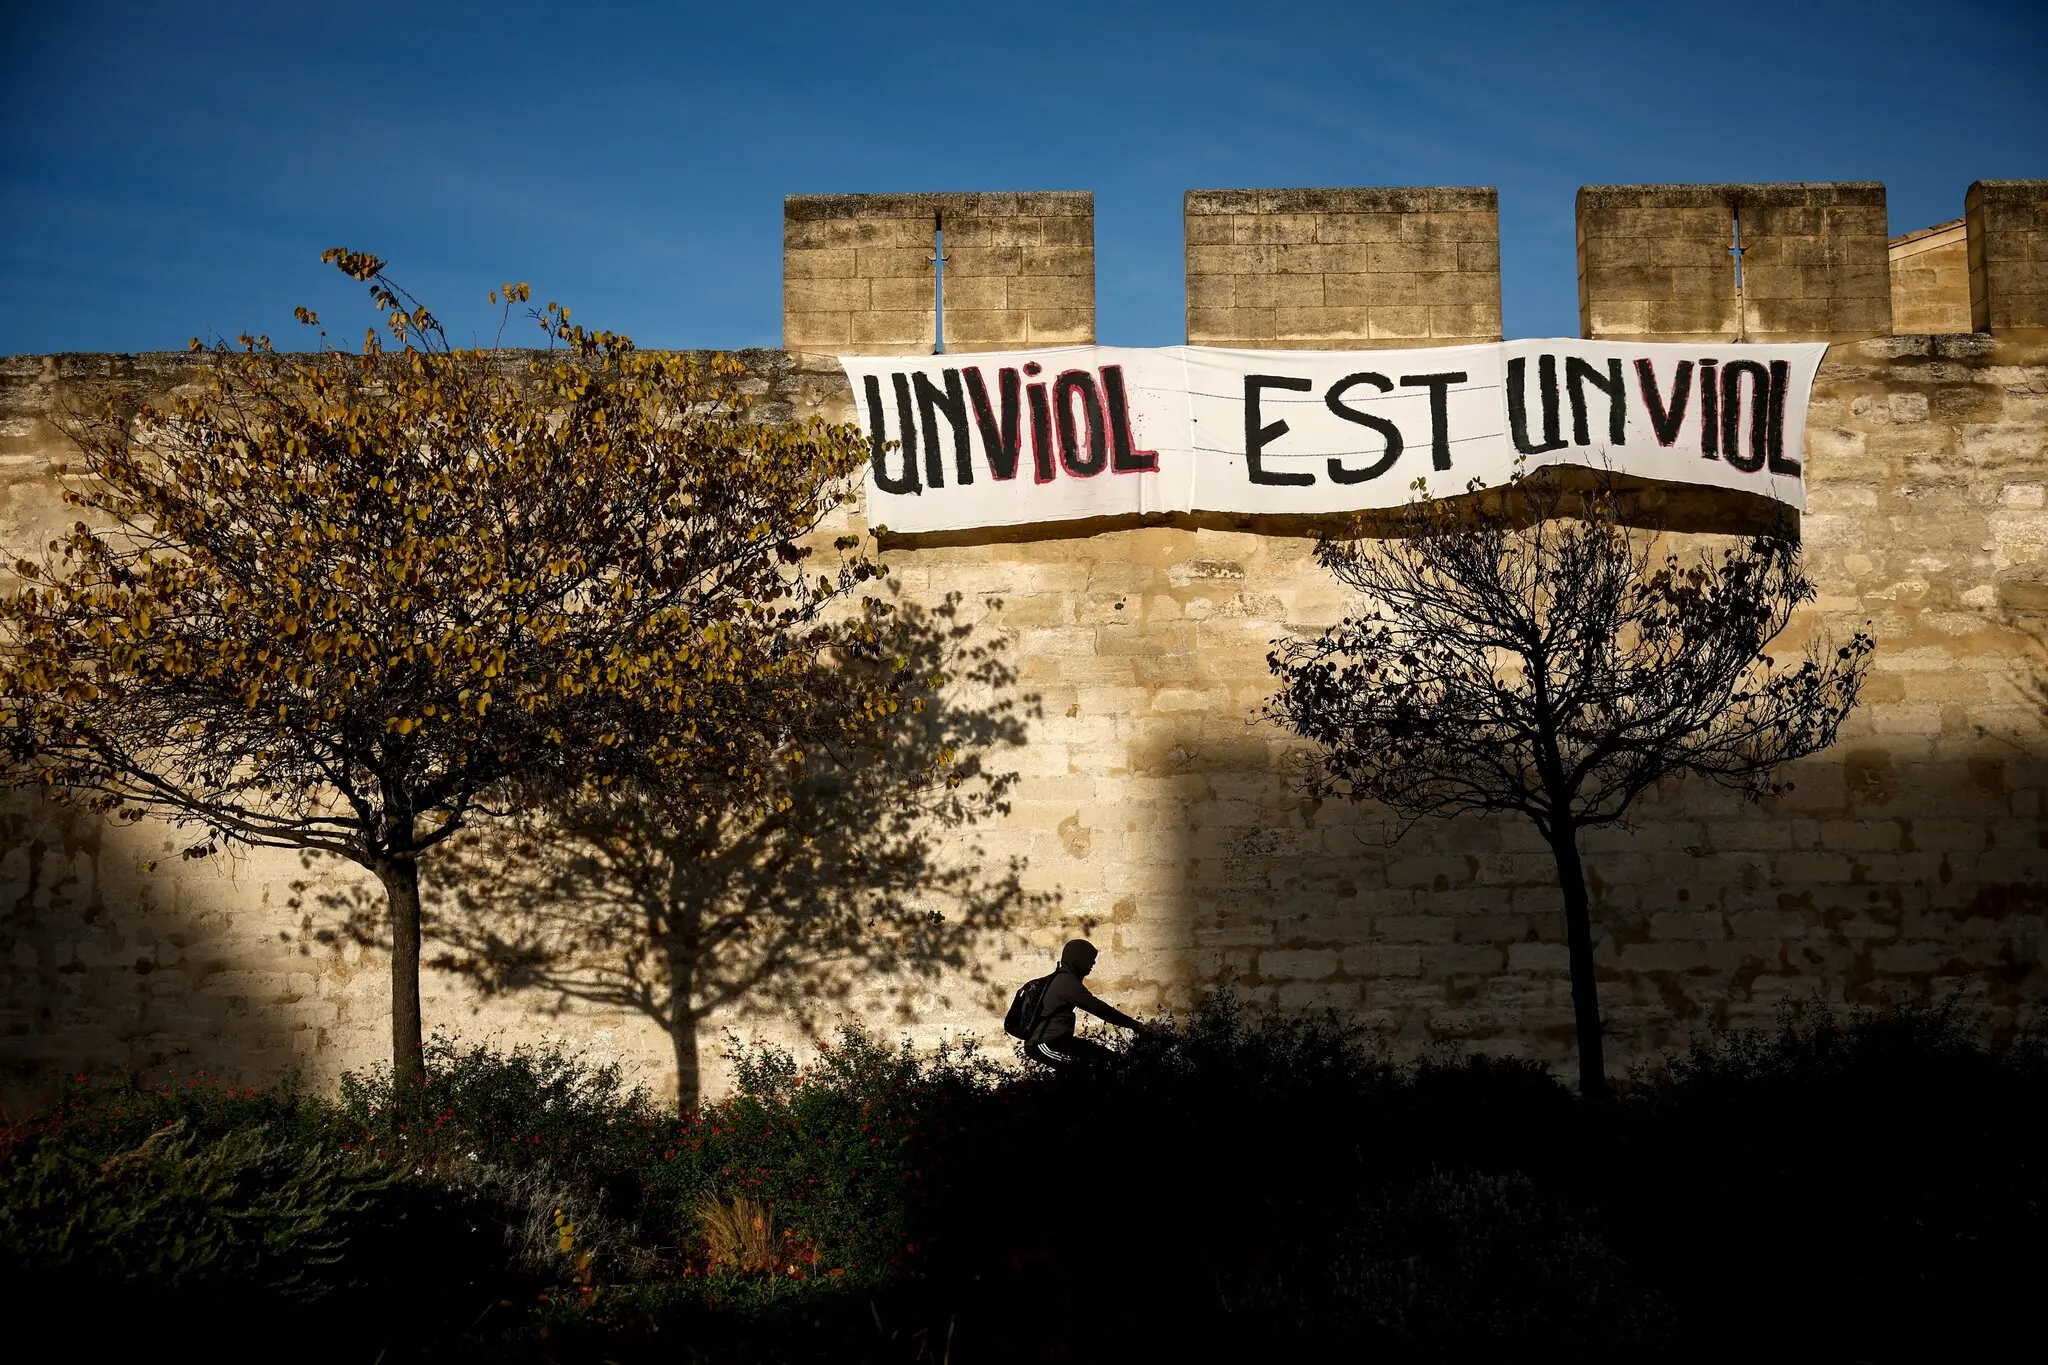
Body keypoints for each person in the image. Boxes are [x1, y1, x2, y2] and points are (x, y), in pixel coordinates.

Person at [1024, 939, 1145, 1069]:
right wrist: (1133, 1024)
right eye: (1089, 959)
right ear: (1078, 959)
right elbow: (1100, 1009)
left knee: (1109, 1059)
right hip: (1044, 1043)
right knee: (1083, 1069)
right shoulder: (1066, 983)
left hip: (1059, 1041)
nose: (1093, 963)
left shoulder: (1064, 978)